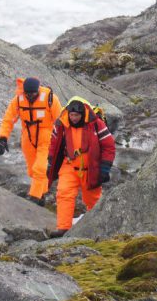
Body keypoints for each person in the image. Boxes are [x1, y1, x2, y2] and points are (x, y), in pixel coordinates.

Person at [46, 96, 115, 237]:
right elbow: (54, 144)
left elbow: (109, 146)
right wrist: (50, 163)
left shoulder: (96, 124)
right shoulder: (61, 124)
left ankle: (96, 229)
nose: (73, 118)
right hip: (69, 165)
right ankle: (63, 228)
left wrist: (104, 168)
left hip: (91, 168)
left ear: (82, 114)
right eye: (71, 115)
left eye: (76, 115)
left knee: (93, 200)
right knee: (63, 193)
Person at [0, 77, 61, 205]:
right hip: (28, 137)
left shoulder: (50, 98)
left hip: (46, 136)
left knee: (40, 168)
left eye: (33, 93)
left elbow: (61, 120)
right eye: (28, 93)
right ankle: (42, 194)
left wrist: (63, 143)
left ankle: (34, 196)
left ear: (38, 90)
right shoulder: (18, 100)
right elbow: (8, 120)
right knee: (32, 170)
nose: (31, 96)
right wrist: (3, 139)